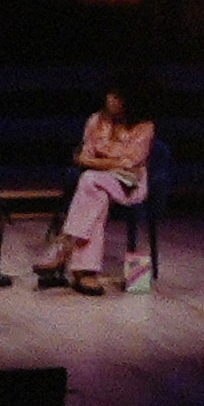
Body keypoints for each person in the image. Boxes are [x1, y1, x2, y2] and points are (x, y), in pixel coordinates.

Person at [40, 87, 160, 293]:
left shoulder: (144, 127)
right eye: (110, 95)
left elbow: (128, 163)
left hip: (128, 185)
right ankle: (85, 272)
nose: (110, 100)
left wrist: (96, 162)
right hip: (99, 182)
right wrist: (104, 162)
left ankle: (65, 246)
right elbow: (83, 156)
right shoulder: (96, 120)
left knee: (89, 179)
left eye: (117, 96)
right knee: (96, 194)